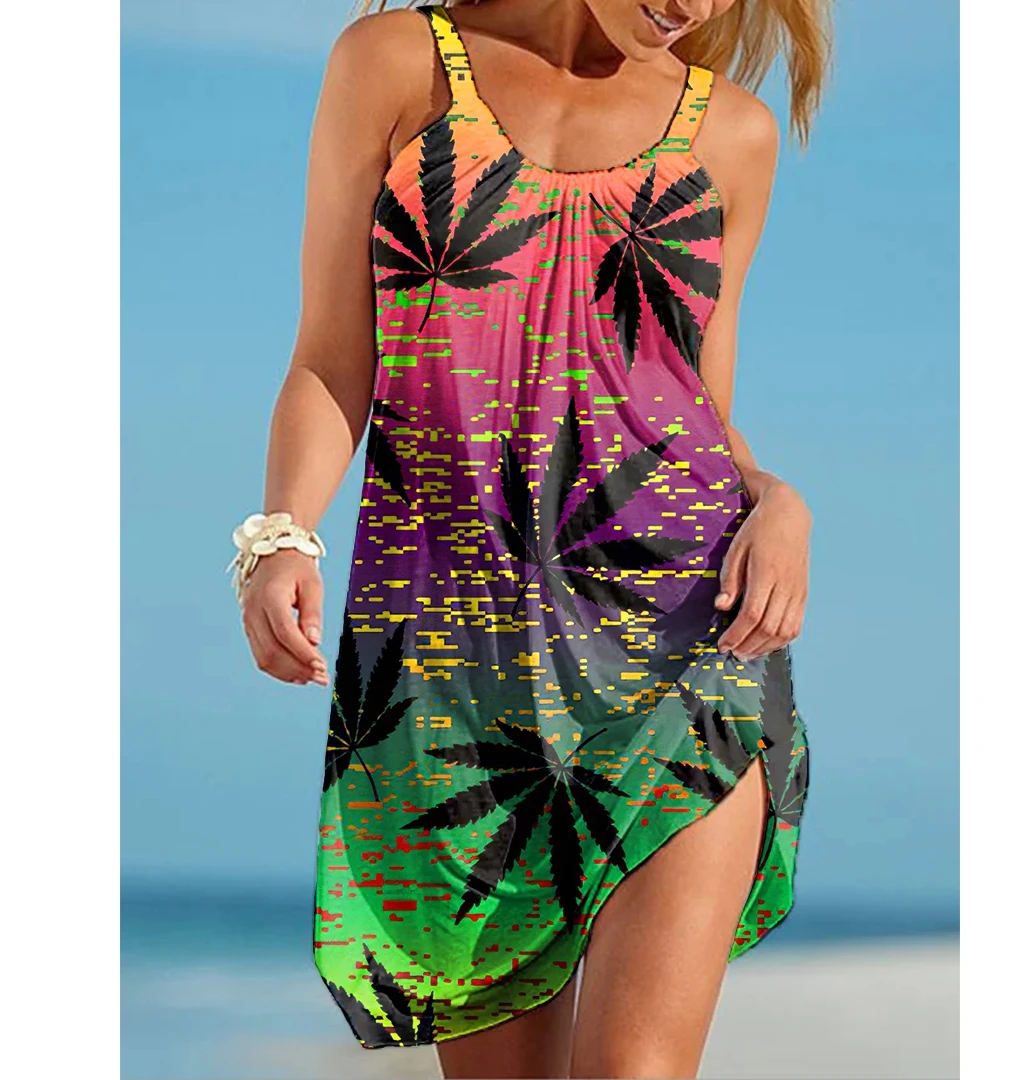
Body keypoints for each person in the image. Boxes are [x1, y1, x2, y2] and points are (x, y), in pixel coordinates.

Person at [230, 1, 829, 1076]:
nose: (694, 7)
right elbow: (330, 354)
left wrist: (779, 501)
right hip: (461, 678)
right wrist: (282, 532)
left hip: (683, 652)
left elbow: (695, 405)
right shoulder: (399, 66)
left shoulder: (731, 135)